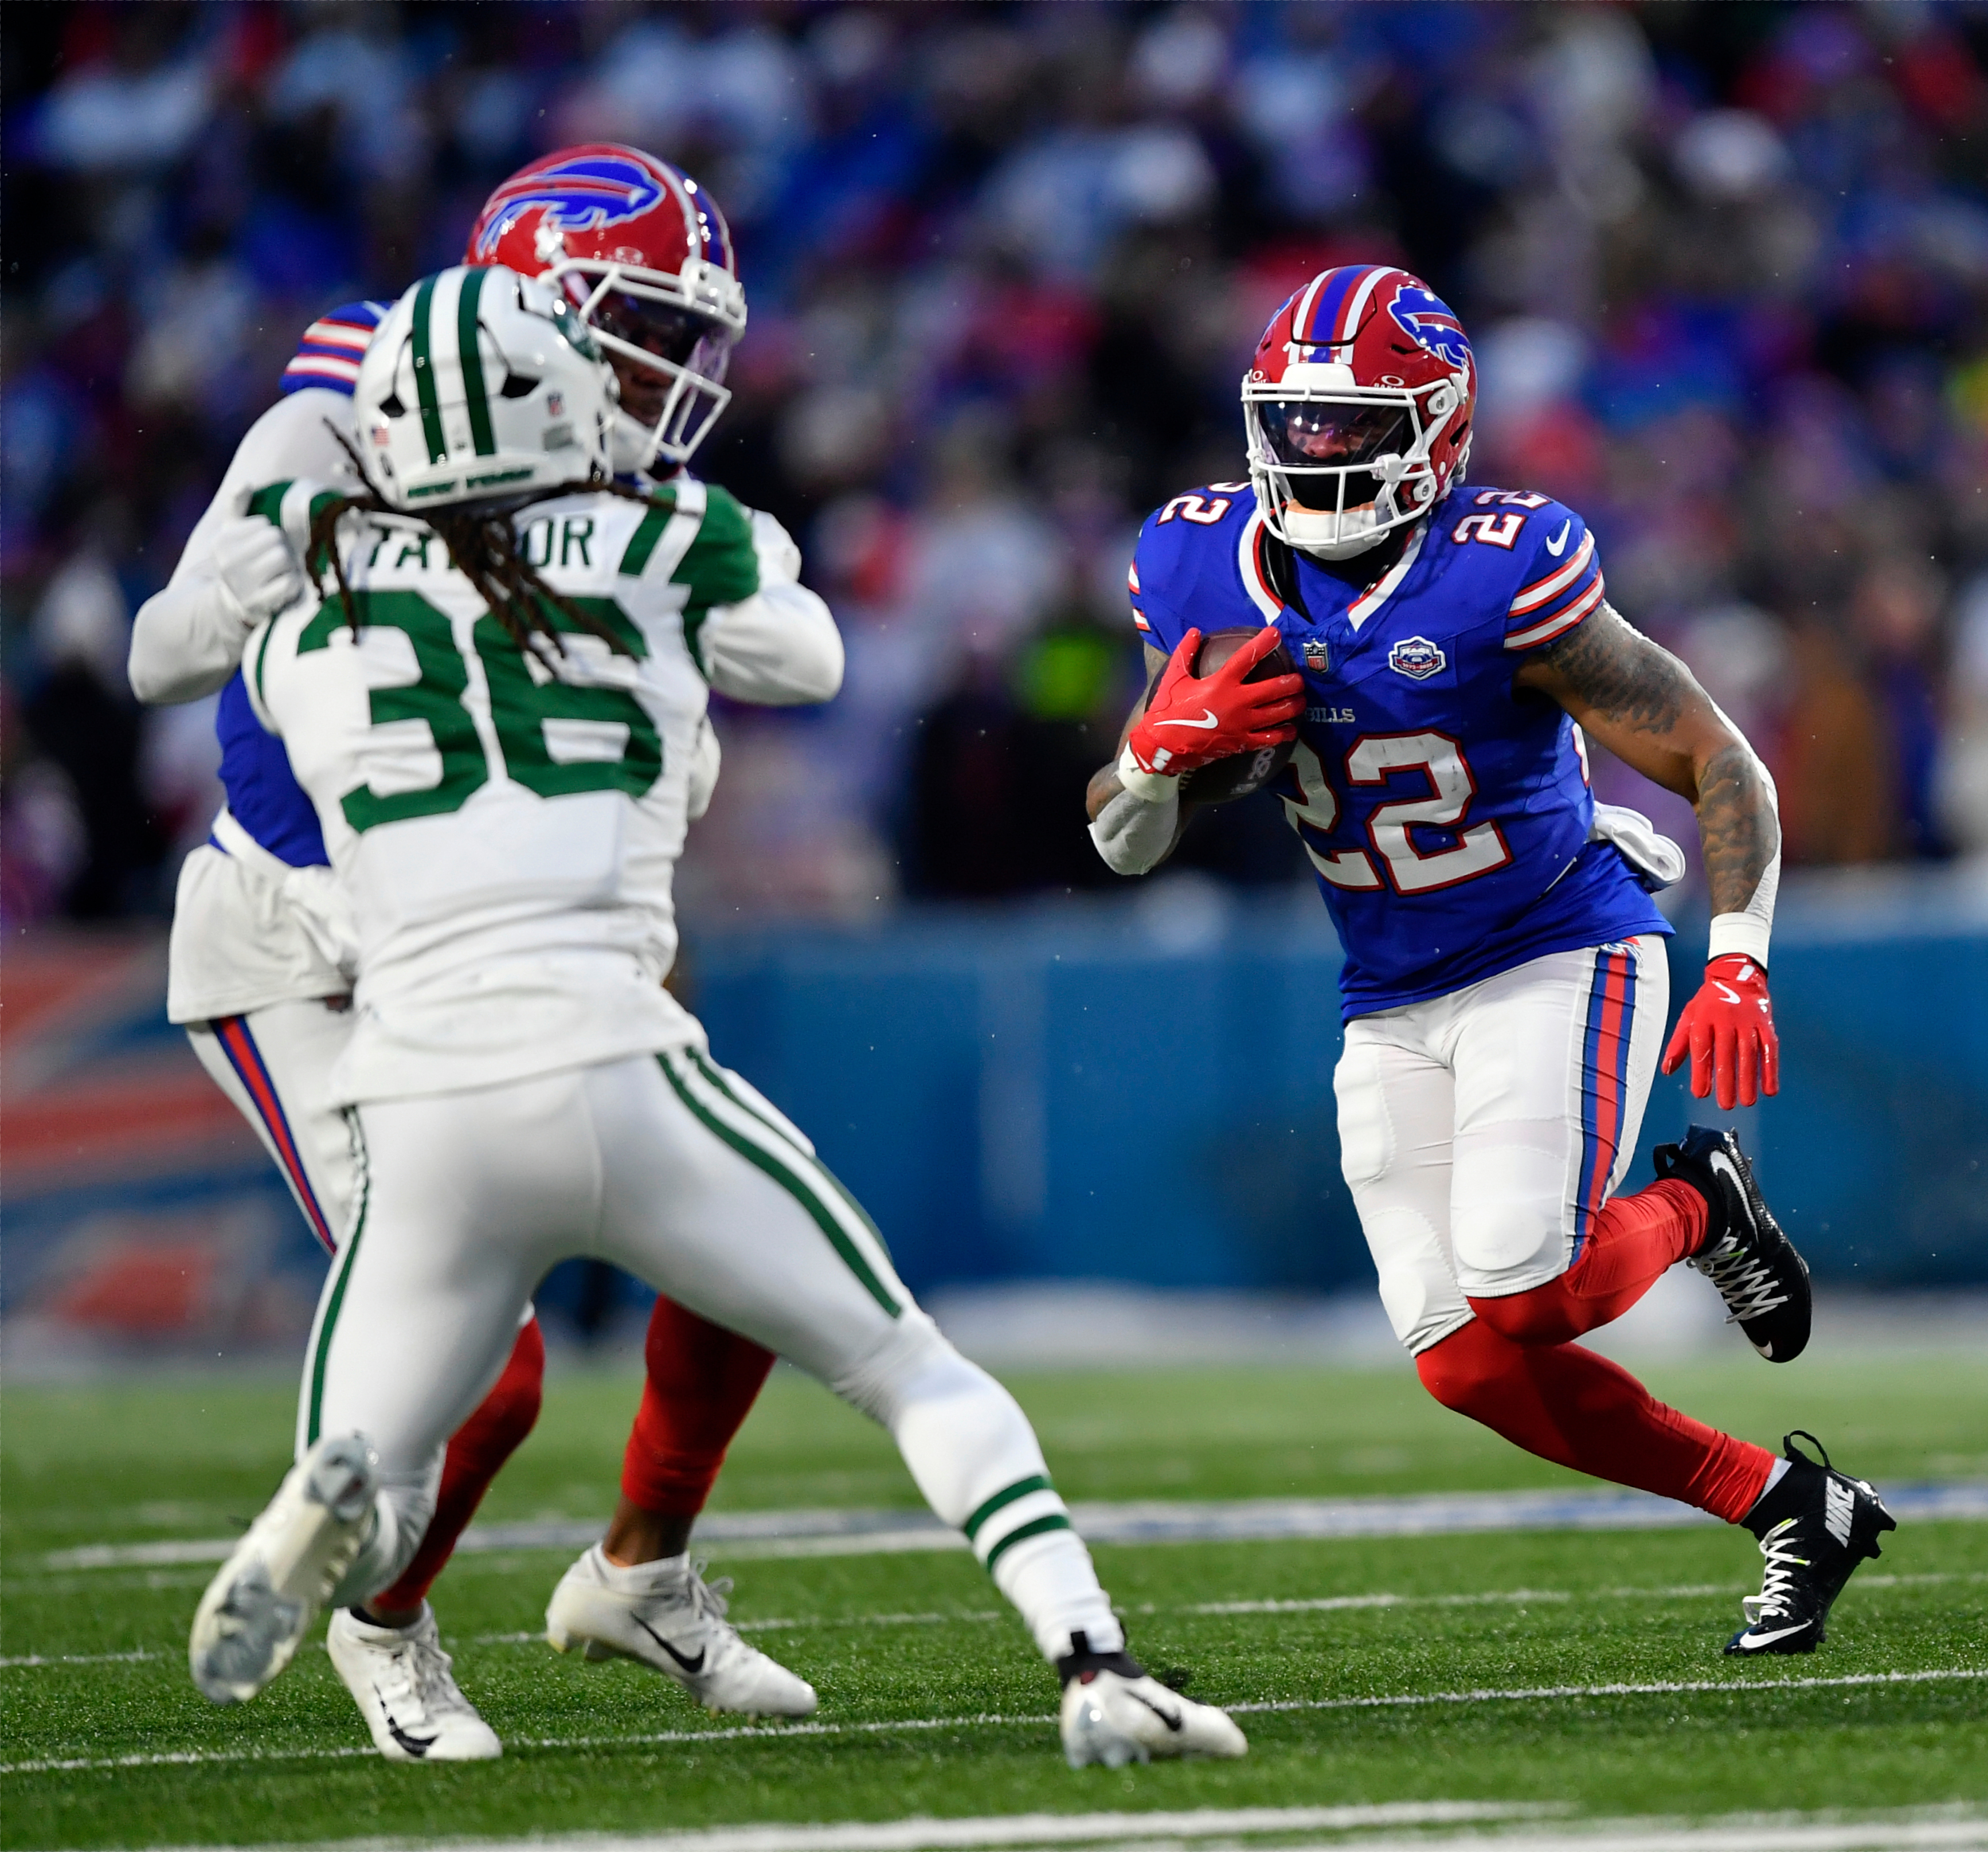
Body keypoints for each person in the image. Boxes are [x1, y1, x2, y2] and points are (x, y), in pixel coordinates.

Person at [185, 267, 1243, 1772]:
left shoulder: (313, 616)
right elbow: (800, 656)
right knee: (894, 1360)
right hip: (456, 1003)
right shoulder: (658, 545)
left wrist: (295, 557)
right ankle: (1090, 1656)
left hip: (425, 1056)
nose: (666, 383)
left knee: (402, 1425)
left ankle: (548, 1548)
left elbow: (245, 685)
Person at [1085, 265, 1893, 1657]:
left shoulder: (1499, 568)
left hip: (1559, 942)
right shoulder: (1192, 561)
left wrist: (1740, 959)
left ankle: (1699, 1204)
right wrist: (1154, 764)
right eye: (1297, 421)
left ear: (1436, 430)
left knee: (1527, 1283)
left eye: (1351, 424)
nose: (1317, 451)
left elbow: (1716, 757)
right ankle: (1788, 1503)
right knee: (1465, 1361)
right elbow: (1121, 845)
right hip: (1389, 986)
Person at [128, 145, 804, 1761]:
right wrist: (293, 548)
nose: (674, 373)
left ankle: (640, 1573)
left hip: (511, 945)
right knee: (483, 1374)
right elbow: (168, 651)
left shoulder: (642, 507)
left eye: (686, 335)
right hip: (311, 952)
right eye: (643, 325)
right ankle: (382, 1630)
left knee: (759, 1249)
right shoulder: (349, 408)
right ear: (538, 303)